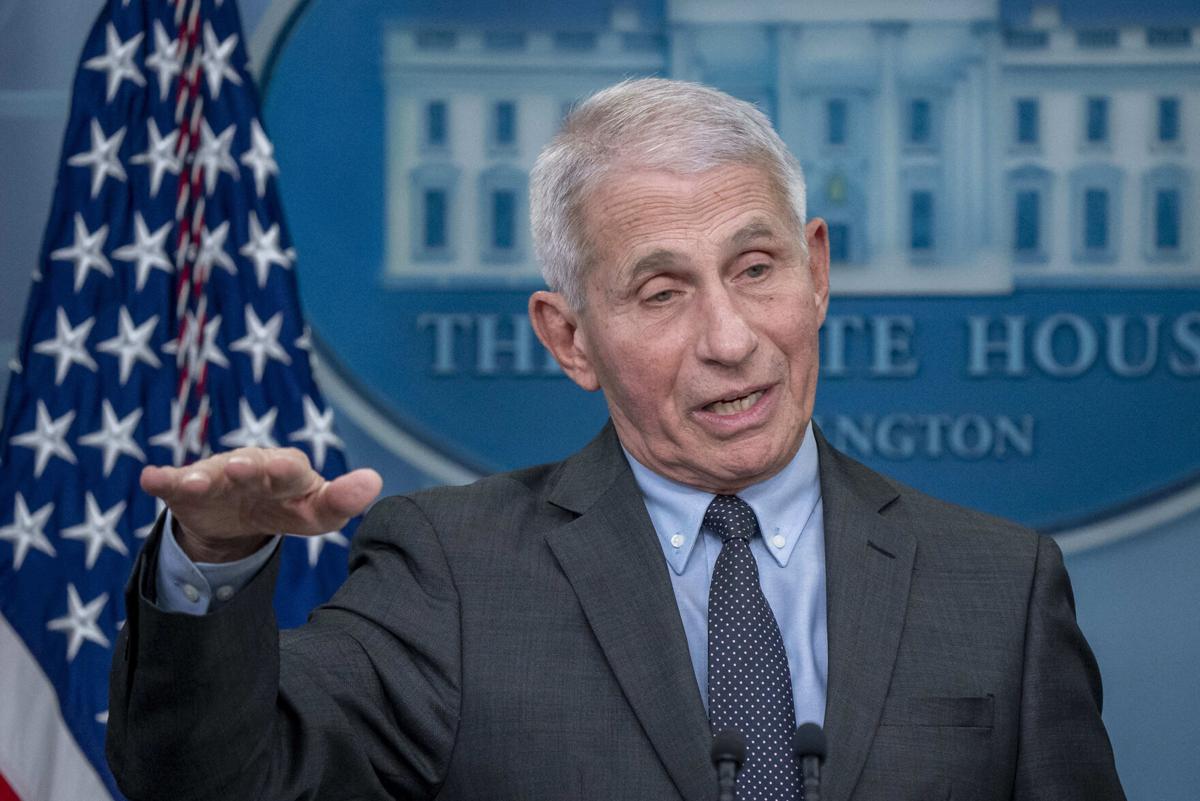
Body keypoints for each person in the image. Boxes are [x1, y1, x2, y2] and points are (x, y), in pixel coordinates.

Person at [107, 79, 1126, 801]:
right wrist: (217, 562)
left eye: (757, 269)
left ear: (817, 272)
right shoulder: (451, 573)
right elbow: (220, 783)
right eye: (662, 291)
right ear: (570, 338)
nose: (730, 339)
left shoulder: (1001, 587)